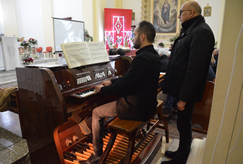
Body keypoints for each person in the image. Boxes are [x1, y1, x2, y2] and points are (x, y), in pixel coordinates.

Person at [80, 21, 162, 164]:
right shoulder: (153, 55)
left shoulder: (141, 58)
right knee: (106, 104)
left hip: (137, 107)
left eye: (134, 34)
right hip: (147, 103)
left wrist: (103, 90)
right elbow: (130, 78)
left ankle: (97, 154)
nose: (132, 38)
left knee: (96, 112)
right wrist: (111, 82)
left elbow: (125, 84)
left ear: (142, 36)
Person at [161, 1, 215, 164]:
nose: (178, 16)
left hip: (186, 91)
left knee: (184, 124)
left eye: (181, 12)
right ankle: (181, 151)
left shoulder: (201, 32)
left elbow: (195, 69)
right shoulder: (193, 30)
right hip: (180, 87)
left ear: (191, 13)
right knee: (182, 123)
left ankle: (181, 158)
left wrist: (184, 98)